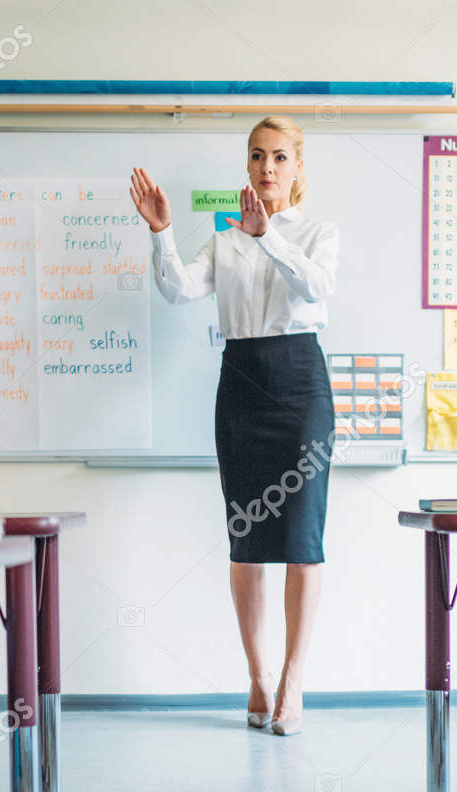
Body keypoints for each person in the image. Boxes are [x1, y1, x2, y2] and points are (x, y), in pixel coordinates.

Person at [130, 116, 339, 735]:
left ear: (297, 167)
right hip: (242, 386)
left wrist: (267, 235)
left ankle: (294, 681)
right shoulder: (224, 242)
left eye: (278, 157)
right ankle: (257, 675)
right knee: (246, 539)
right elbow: (177, 289)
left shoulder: (319, 232)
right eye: (256, 157)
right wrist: (162, 230)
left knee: (303, 541)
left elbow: (316, 286)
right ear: (246, 166)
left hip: (301, 384)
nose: (266, 168)